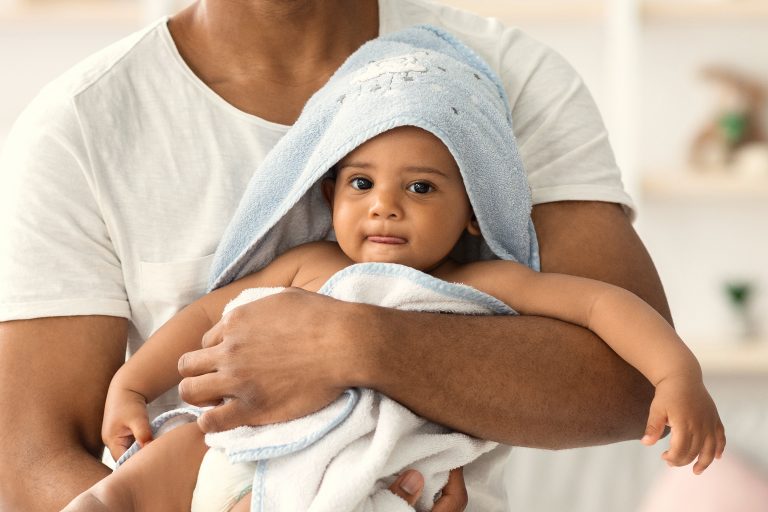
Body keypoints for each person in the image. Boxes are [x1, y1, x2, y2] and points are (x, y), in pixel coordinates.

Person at [0, 1, 676, 510]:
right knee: (184, 445)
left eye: (420, 187)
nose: (386, 206)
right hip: (230, 471)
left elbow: (631, 381)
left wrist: (355, 343)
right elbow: (26, 458)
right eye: (362, 183)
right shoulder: (83, 127)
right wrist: (136, 390)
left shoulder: (492, 89)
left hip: (386, 483)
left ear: (471, 210)